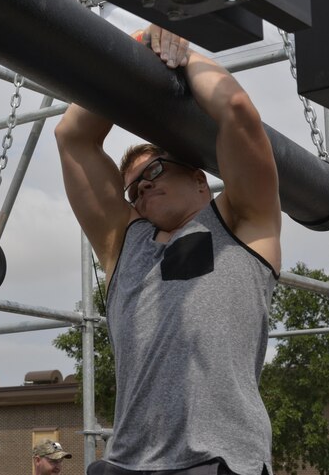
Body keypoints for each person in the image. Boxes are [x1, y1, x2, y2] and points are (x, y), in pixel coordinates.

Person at [55, 24, 281, 475]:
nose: (143, 188)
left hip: (219, 461)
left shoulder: (243, 225)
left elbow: (235, 110)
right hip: (128, 464)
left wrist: (183, 55)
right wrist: (133, 49)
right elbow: (72, 137)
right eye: (133, 190)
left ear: (199, 178)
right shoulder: (124, 246)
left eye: (154, 170)